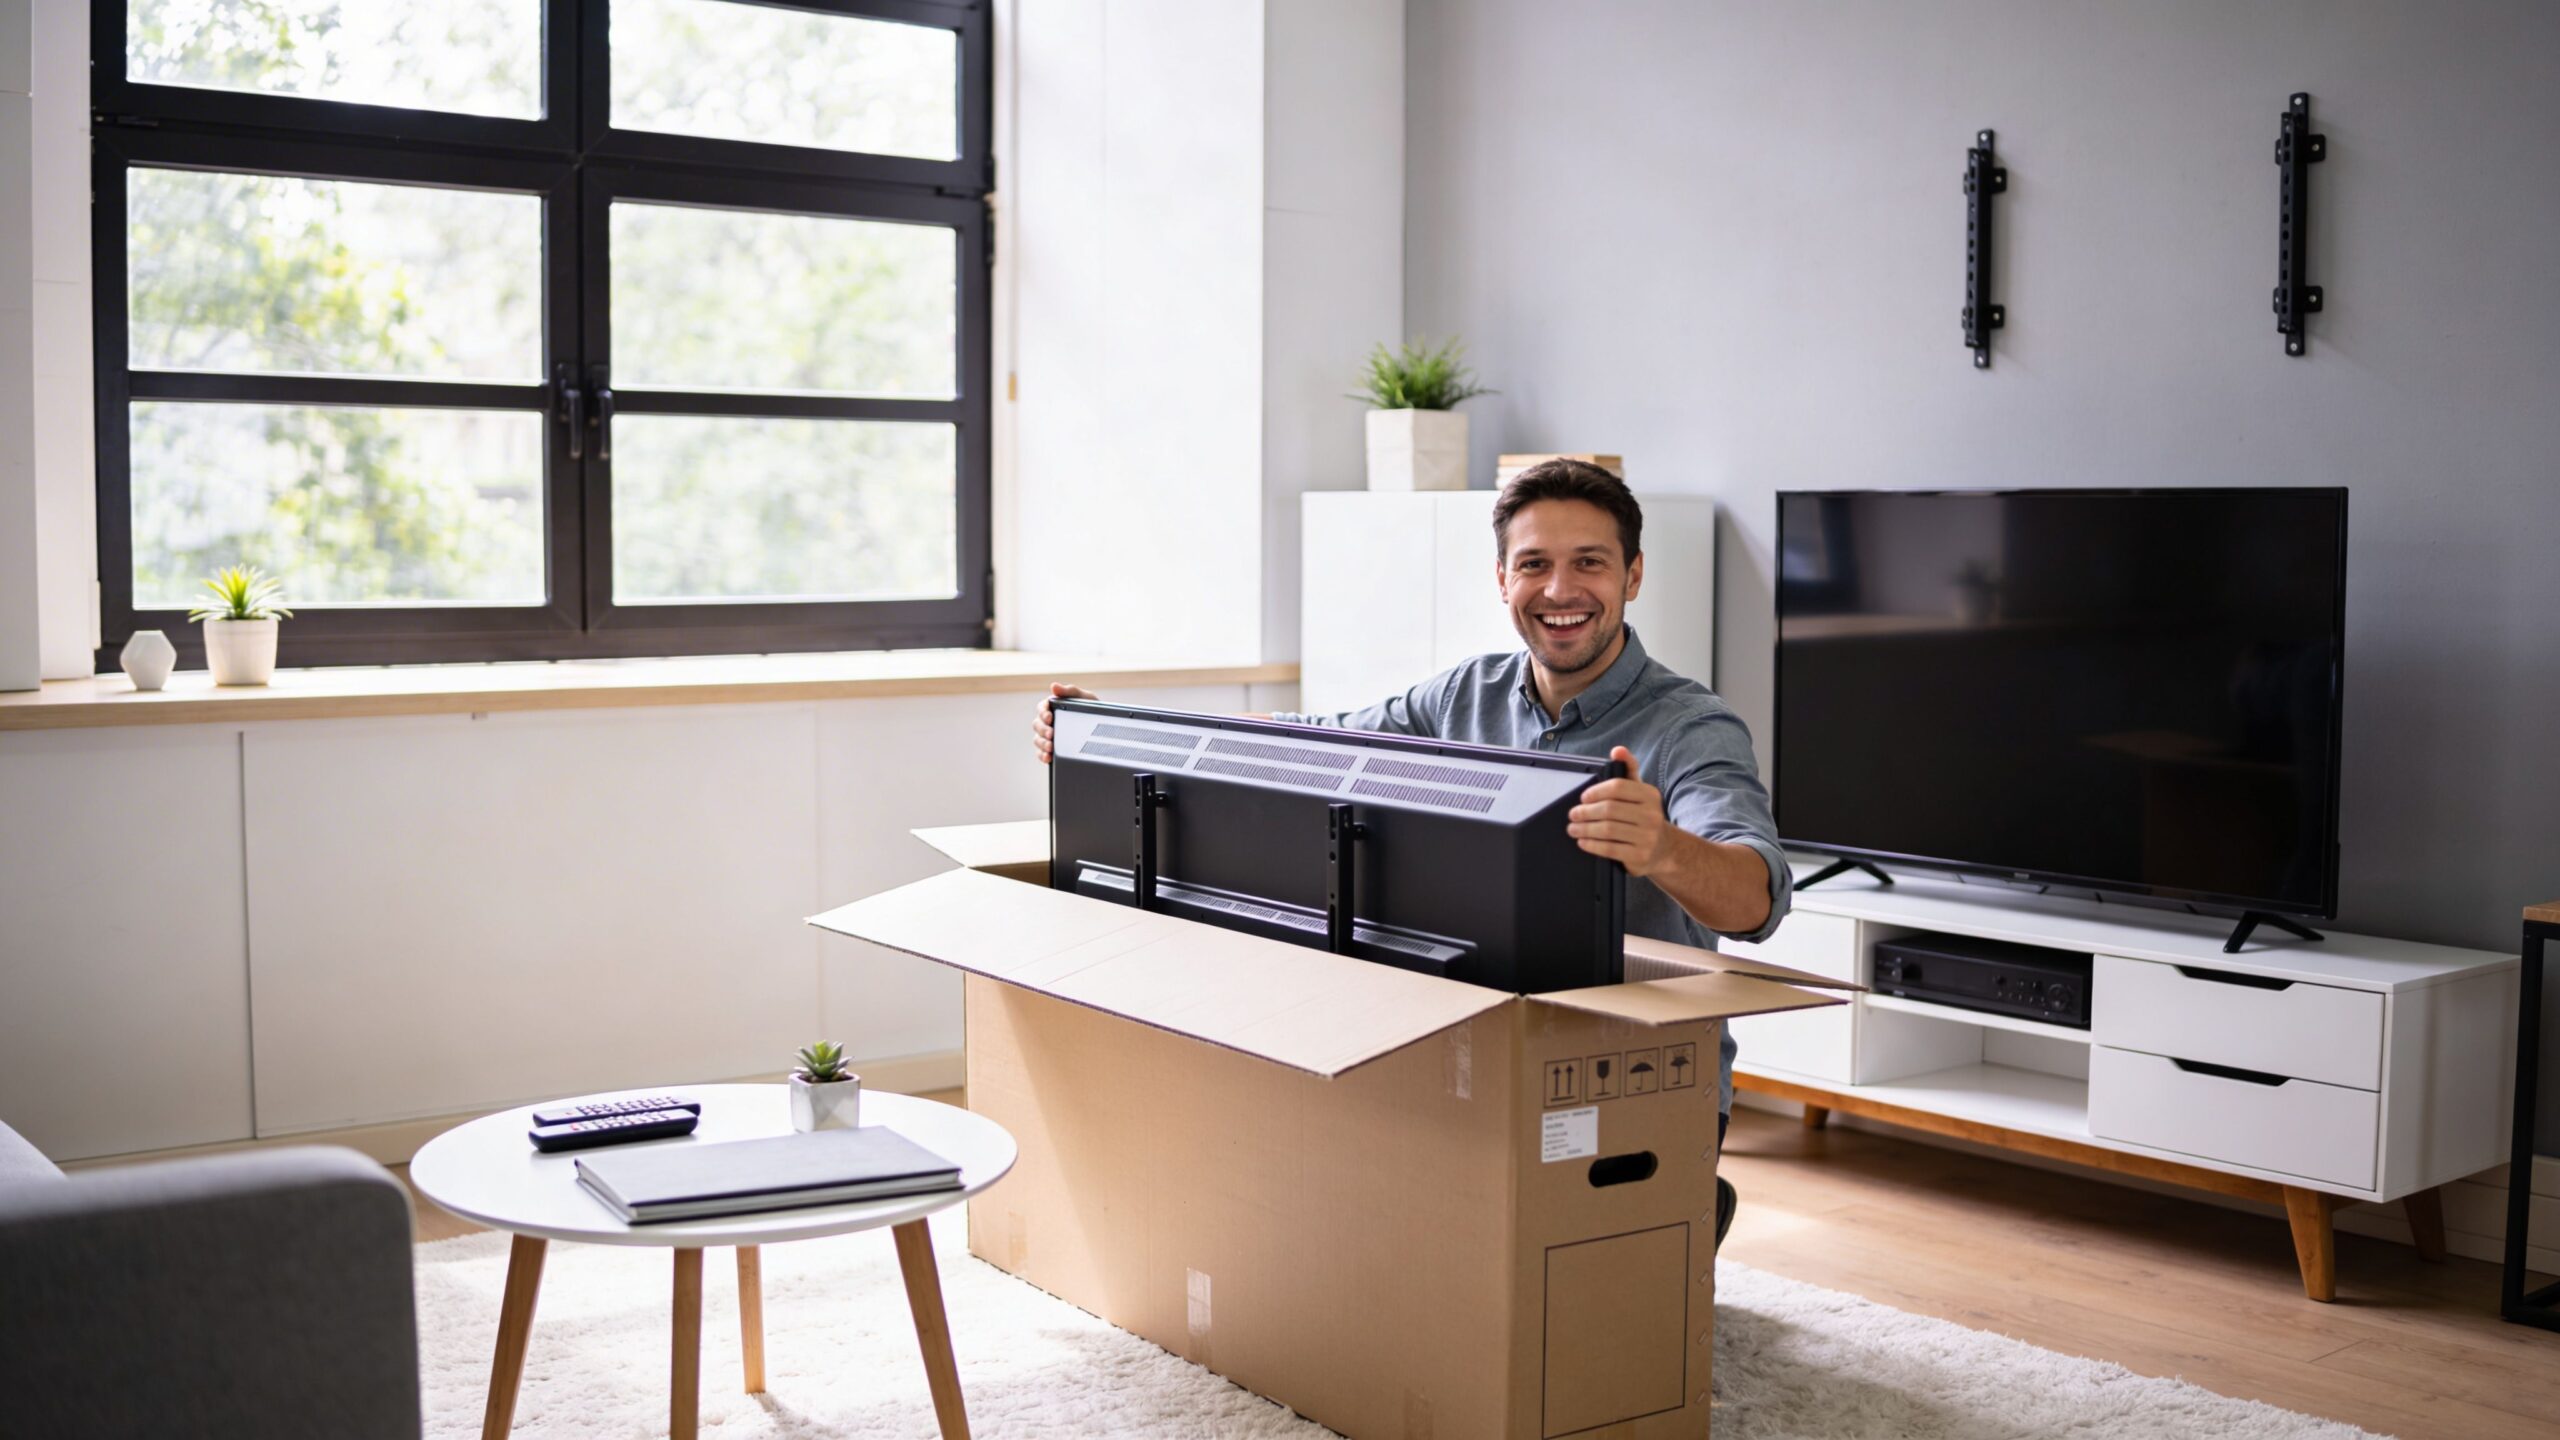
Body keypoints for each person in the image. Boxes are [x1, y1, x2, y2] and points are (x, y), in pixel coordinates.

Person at [1032, 458, 1791, 1245]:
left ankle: (1691, 1199)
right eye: (1534, 564)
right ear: (1503, 580)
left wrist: (1661, 847)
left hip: (1635, 1071)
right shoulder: (1465, 694)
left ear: (1633, 576)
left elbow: (1757, 899)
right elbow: (1324, 741)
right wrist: (1121, 725)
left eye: (1589, 563)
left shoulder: (1691, 726)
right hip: (1477, 1041)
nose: (1560, 591)